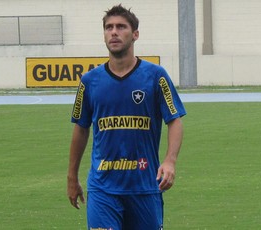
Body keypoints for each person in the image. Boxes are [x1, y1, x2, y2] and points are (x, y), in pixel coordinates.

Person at [67, 4, 186, 230]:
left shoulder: (156, 76)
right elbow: (80, 129)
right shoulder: (89, 81)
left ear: (135, 34)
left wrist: (170, 161)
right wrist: (72, 177)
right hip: (103, 188)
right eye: (109, 27)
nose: (114, 32)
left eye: (121, 27)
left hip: (144, 186)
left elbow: (174, 120)